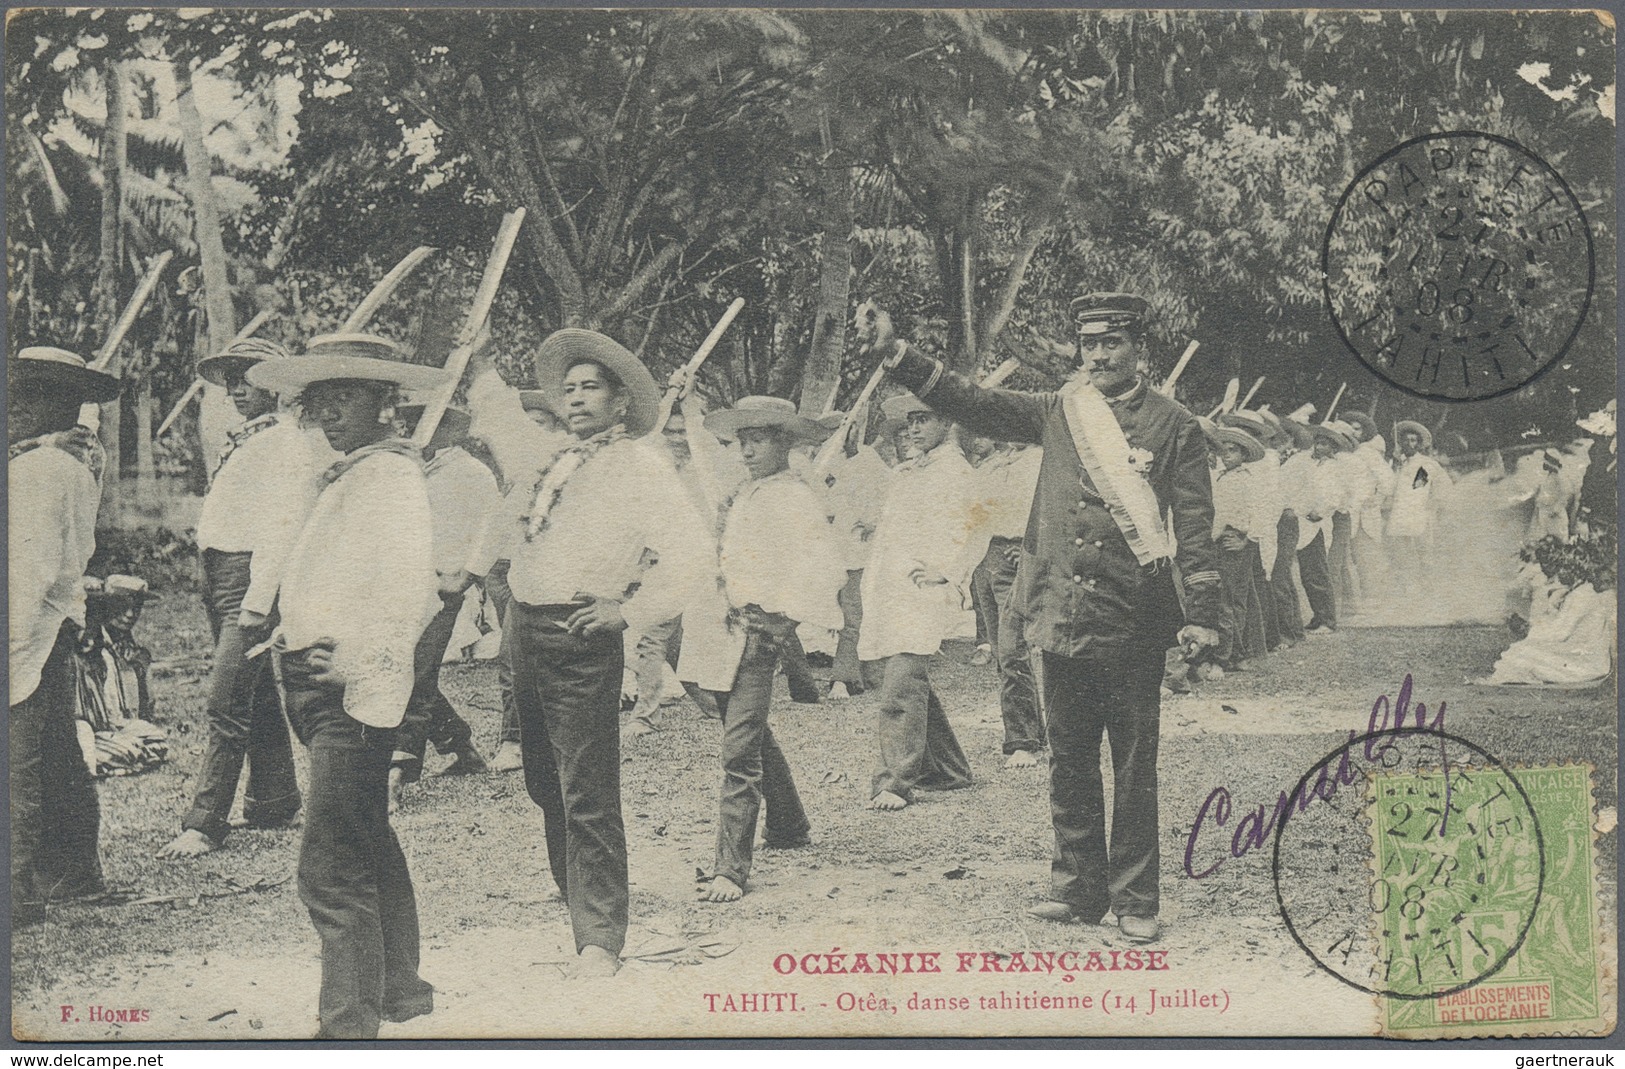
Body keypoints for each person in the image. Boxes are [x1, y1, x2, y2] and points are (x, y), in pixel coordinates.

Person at [861, 292, 1223, 943]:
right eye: (1089, 344)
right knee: (1069, 759)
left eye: (1112, 343)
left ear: (1139, 346)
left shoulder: (1174, 424)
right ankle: (1078, 886)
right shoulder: (1061, 411)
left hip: (1133, 619)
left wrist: (1200, 615)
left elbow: (1193, 529)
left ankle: (1135, 895)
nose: (1099, 355)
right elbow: (974, 402)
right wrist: (898, 355)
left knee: (1134, 764)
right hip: (1060, 614)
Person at [465, 327, 709, 977]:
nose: (574, 398)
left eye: (589, 388)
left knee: (587, 788)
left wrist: (624, 610)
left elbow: (689, 555)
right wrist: (483, 362)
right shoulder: (551, 456)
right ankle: (576, 892)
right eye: (568, 388)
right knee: (545, 779)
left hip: (582, 636)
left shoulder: (641, 468)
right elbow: (502, 419)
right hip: (525, 630)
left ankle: (599, 935)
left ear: (620, 400)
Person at [247, 333, 444, 1038]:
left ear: (385, 402)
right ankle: (398, 985)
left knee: (329, 862)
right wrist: (292, 629)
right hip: (313, 674)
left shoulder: (392, 477)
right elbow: (326, 571)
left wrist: (359, 662)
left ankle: (346, 1026)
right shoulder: (349, 473)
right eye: (320, 397)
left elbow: (405, 589)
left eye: (348, 396)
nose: (330, 412)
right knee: (364, 829)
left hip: (351, 687)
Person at [677, 396, 845, 902]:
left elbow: (824, 567)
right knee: (744, 730)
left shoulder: (795, 498)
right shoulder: (748, 493)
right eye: (742, 439)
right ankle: (790, 823)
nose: (747, 449)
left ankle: (730, 867)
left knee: (739, 750)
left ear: (786, 443)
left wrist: (785, 617)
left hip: (757, 631)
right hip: (723, 625)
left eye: (760, 438)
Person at [159, 339, 318, 860]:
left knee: (226, 700)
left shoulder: (286, 441)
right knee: (252, 693)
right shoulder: (252, 438)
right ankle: (274, 798)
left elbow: (283, 526)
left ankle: (205, 821)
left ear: (274, 382)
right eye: (230, 379)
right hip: (221, 572)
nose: (238, 389)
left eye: (248, 377)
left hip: (250, 577)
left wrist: (257, 598)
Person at [10, 346, 121, 922]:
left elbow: (28, 568)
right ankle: (75, 871)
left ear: (58, 404)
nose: (14, 408)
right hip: (53, 621)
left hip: (29, 621)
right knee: (54, 752)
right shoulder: (62, 462)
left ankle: (20, 890)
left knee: (19, 759)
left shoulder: (40, 471)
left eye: (30, 397)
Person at [856, 392, 981, 811]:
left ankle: (894, 781)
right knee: (902, 679)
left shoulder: (956, 472)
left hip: (923, 589)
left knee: (901, 685)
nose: (913, 428)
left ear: (947, 423)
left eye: (924, 419)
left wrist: (947, 570)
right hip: (892, 588)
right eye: (910, 421)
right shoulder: (908, 472)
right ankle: (948, 770)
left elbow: (975, 526)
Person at [387, 405, 500, 809]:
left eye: (422, 419)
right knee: (411, 667)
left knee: (415, 671)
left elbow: (493, 527)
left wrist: (466, 576)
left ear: (447, 425)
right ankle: (462, 749)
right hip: (401, 585)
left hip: (443, 587)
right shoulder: (406, 468)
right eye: (407, 419)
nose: (411, 427)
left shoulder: (471, 473)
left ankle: (394, 773)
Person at [969, 440, 1045, 767]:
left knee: (1014, 648)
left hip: (1017, 553)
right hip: (987, 555)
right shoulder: (994, 464)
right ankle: (1030, 731)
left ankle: (1024, 741)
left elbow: (1051, 511)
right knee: (1002, 651)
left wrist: (1031, 548)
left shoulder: (1039, 459)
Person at [1205, 422, 1268, 669]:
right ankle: (1236, 652)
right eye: (1224, 450)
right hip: (1221, 539)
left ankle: (1229, 655)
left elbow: (1261, 513)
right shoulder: (1221, 477)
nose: (1226, 455)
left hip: (1235, 540)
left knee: (1231, 601)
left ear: (1243, 455)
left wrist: (1246, 540)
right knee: (1228, 597)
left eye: (1232, 451)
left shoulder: (1247, 480)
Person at [1387, 420, 1452, 594]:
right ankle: (1407, 585)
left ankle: (1427, 585)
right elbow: (1389, 487)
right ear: (1400, 443)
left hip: (1419, 513)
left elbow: (1419, 487)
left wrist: (1433, 504)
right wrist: (1395, 465)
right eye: (1406, 440)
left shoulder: (1425, 464)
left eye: (1414, 440)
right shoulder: (1396, 463)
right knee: (1402, 552)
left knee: (1424, 551)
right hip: (1400, 514)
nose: (1410, 444)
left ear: (1419, 443)